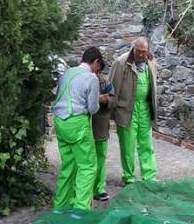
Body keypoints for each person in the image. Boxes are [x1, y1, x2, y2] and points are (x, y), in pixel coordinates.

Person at [51, 47, 102, 213]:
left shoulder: (67, 72)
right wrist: (100, 99)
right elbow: (93, 108)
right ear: (95, 62)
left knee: (68, 165)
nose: (98, 71)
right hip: (77, 124)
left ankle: (60, 207)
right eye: (98, 67)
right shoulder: (91, 78)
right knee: (87, 167)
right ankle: (80, 210)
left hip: (60, 122)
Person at [109, 37, 158, 184]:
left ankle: (149, 176)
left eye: (144, 51)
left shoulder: (151, 61)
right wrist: (111, 112)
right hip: (126, 110)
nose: (141, 55)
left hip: (145, 108)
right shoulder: (121, 63)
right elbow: (112, 88)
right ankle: (129, 177)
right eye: (139, 51)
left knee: (146, 144)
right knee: (128, 146)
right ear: (133, 48)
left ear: (147, 50)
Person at [91, 57, 113, 202]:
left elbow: (113, 101)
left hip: (101, 126)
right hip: (85, 126)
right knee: (87, 159)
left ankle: (99, 188)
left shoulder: (105, 83)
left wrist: (107, 101)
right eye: (96, 70)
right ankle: (87, 189)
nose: (98, 74)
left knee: (101, 157)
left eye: (100, 71)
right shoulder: (84, 80)